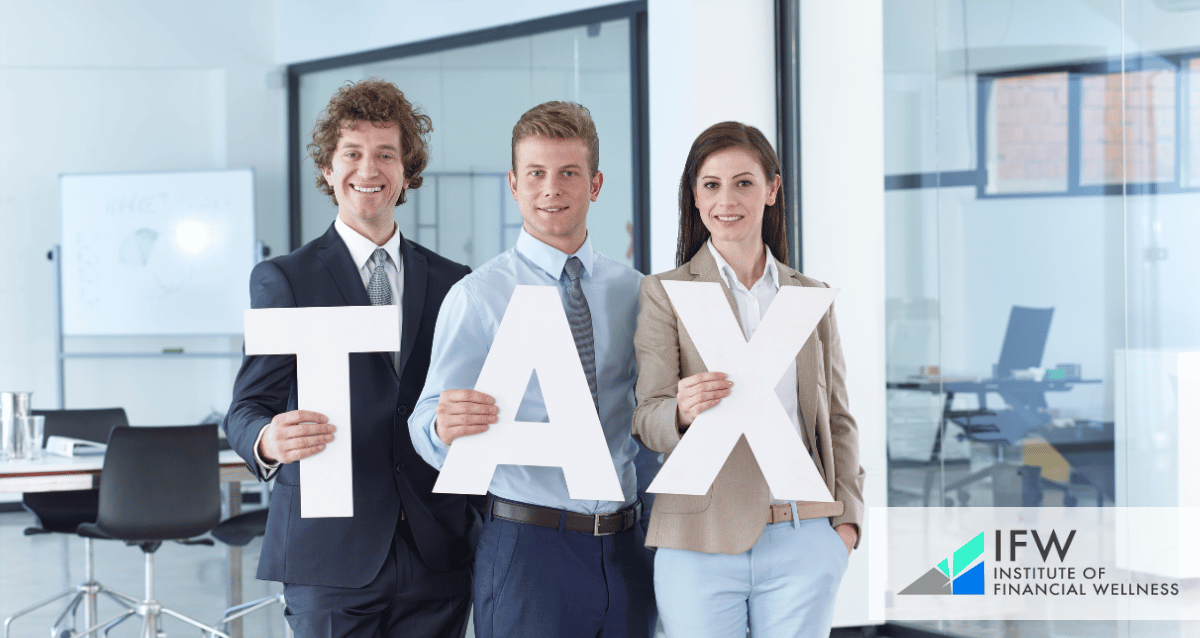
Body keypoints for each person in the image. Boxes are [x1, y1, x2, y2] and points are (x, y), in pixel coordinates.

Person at [224, 79, 478, 638]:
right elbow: (246, 407)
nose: (370, 168)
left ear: (407, 171)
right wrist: (268, 439)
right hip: (330, 552)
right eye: (353, 153)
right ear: (327, 169)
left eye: (386, 154)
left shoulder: (454, 282)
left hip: (437, 549)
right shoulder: (286, 279)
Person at [409, 101, 659, 638]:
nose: (552, 188)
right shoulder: (478, 296)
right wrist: (440, 426)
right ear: (514, 184)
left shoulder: (635, 291)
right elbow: (426, 418)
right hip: (530, 549)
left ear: (594, 185)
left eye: (569, 173)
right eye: (536, 174)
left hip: (627, 544)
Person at [631, 121, 864, 638]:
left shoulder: (809, 296)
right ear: (694, 197)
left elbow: (839, 418)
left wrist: (845, 523)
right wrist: (681, 411)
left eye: (744, 182)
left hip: (804, 537)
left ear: (772, 190)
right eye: (711, 185)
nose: (726, 199)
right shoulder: (664, 292)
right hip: (699, 541)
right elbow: (647, 417)